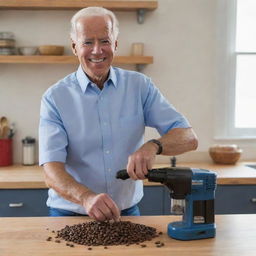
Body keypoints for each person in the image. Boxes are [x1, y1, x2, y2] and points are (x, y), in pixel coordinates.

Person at [39, 7, 198, 221]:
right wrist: (86, 197)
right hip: (70, 212)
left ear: (115, 44)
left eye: (104, 41)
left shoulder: (140, 86)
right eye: (87, 42)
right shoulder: (55, 97)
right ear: (74, 47)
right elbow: (51, 170)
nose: (97, 50)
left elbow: (188, 138)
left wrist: (153, 146)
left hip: (126, 212)